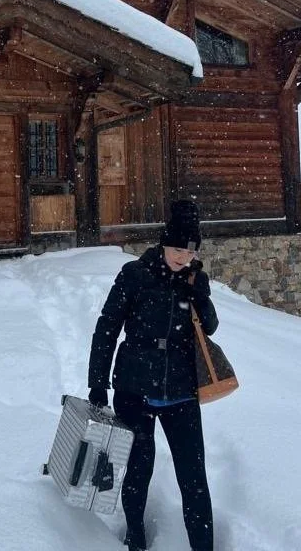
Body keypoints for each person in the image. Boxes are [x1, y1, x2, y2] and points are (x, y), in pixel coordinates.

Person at [87, 199, 218, 551]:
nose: (182, 258)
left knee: (193, 477)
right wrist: (97, 383)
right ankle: (135, 538)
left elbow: (211, 327)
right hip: (135, 389)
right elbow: (107, 329)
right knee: (138, 470)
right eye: (177, 250)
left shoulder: (194, 278)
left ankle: (203, 546)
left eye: (189, 253)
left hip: (182, 391)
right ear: (163, 243)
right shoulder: (134, 275)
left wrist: (197, 294)